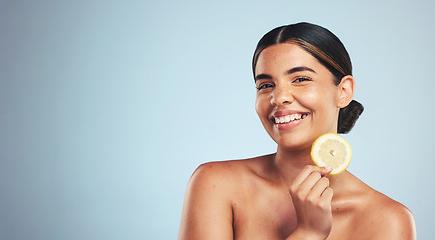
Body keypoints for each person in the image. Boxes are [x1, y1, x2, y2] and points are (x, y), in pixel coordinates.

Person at [178, 22, 416, 240]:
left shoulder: (389, 221)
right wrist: (308, 233)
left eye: (300, 79)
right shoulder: (216, 184)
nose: (279, 97)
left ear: (343, 91)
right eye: (266, 85)